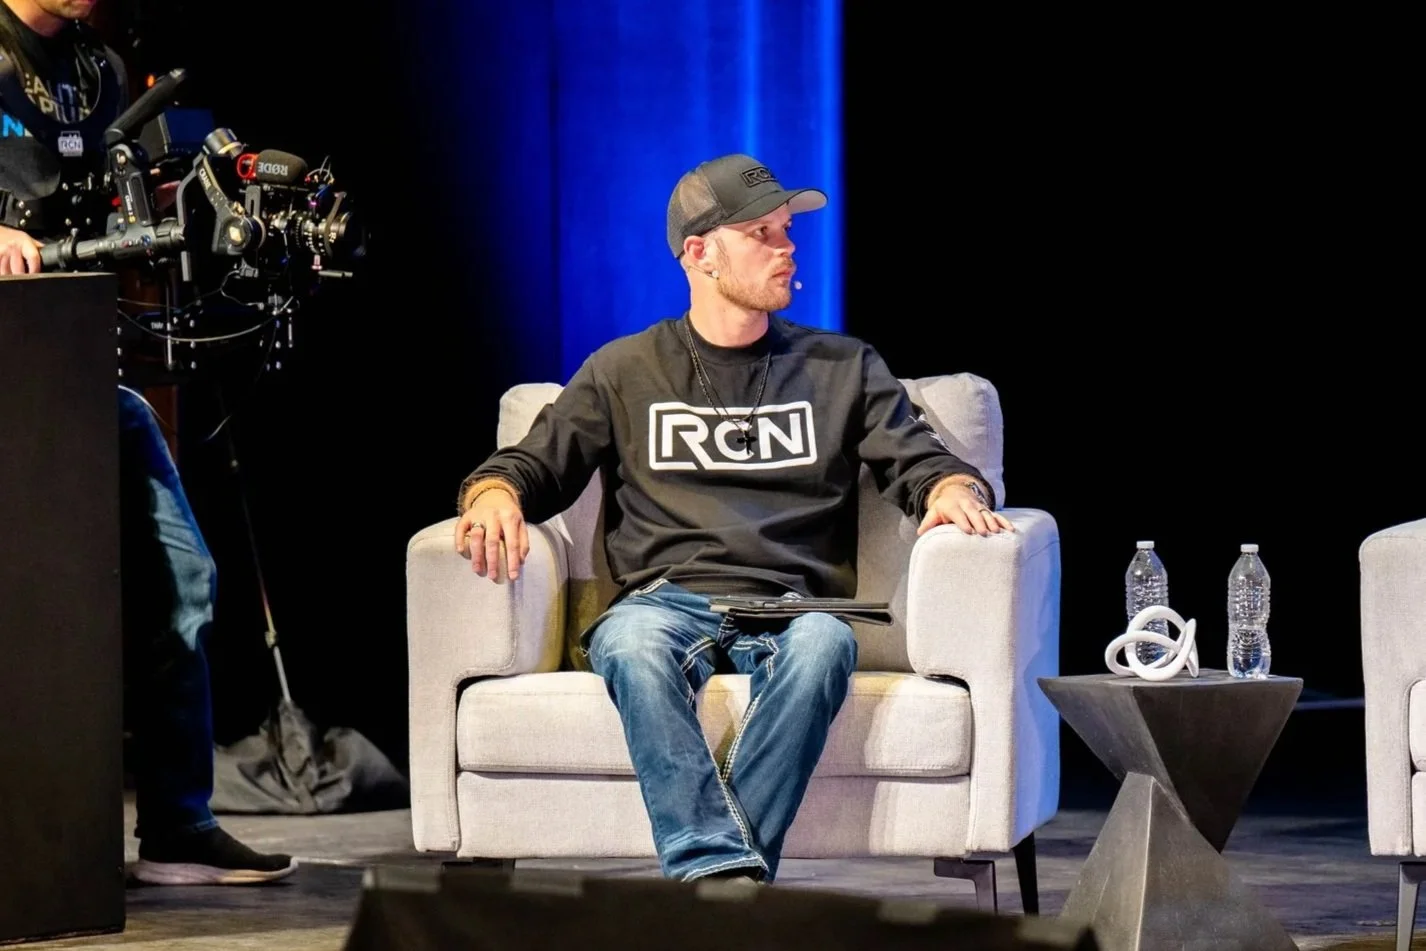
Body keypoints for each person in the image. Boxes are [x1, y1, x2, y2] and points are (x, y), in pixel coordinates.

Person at [452, 151, 1016, 884]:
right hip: (663, 602)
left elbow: (918, 458)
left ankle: (712, 880)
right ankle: (728, 882)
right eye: (761, 234)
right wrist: (494, 491)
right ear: (699, 254)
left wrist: (950, 488)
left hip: (792, 605)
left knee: (825, 647)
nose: (787, 248)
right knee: (630, 644)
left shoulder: (842, 366)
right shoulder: (624, 369)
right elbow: (536, 464)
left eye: (787, 230)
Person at [1, 0, 296, 884]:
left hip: (71, 369)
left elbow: (121, 199)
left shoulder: (104, 70)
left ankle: (176, 820)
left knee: (184, 575)